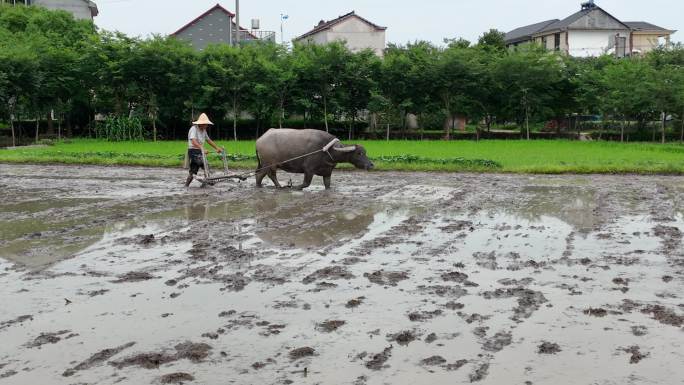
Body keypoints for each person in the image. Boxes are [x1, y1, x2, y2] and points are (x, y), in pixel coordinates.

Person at [185, 113, 223, 187]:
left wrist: (217, 148)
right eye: (205, 124)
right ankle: (207, 182)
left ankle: (188, 185)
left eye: (207, 124)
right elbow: (193, 141)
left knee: (194, 170)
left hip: (200, 151)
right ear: (201, 123)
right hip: (193, 151)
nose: (207, 126)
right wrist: (202, 148)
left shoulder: (204, 130)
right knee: (205, 164)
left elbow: (208, 140)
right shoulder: (194, 129)